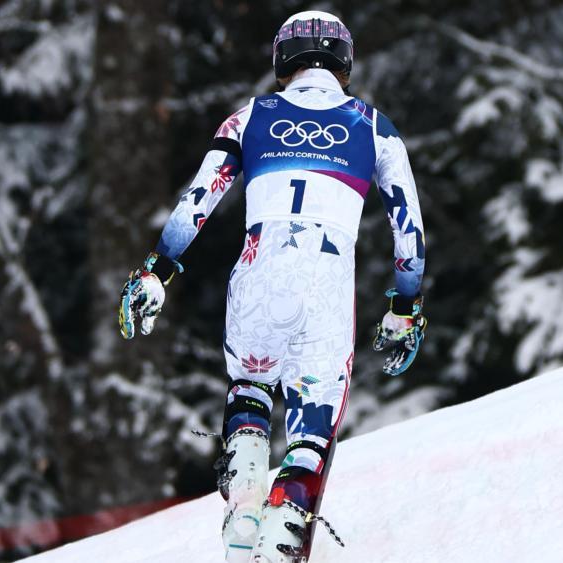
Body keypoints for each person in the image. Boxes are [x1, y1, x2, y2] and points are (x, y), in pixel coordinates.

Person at [119, 11, 427, 562]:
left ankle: (243, 503)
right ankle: (283, 535)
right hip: (328, 278)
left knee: (250, 388)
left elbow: (197, 203)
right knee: (312, 428)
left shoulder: (247, 119)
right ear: (345, 63)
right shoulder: (377, 128)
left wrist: (157, 271)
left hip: (259, 267)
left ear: (282, 62)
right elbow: (410, 231)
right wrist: (403, 306)